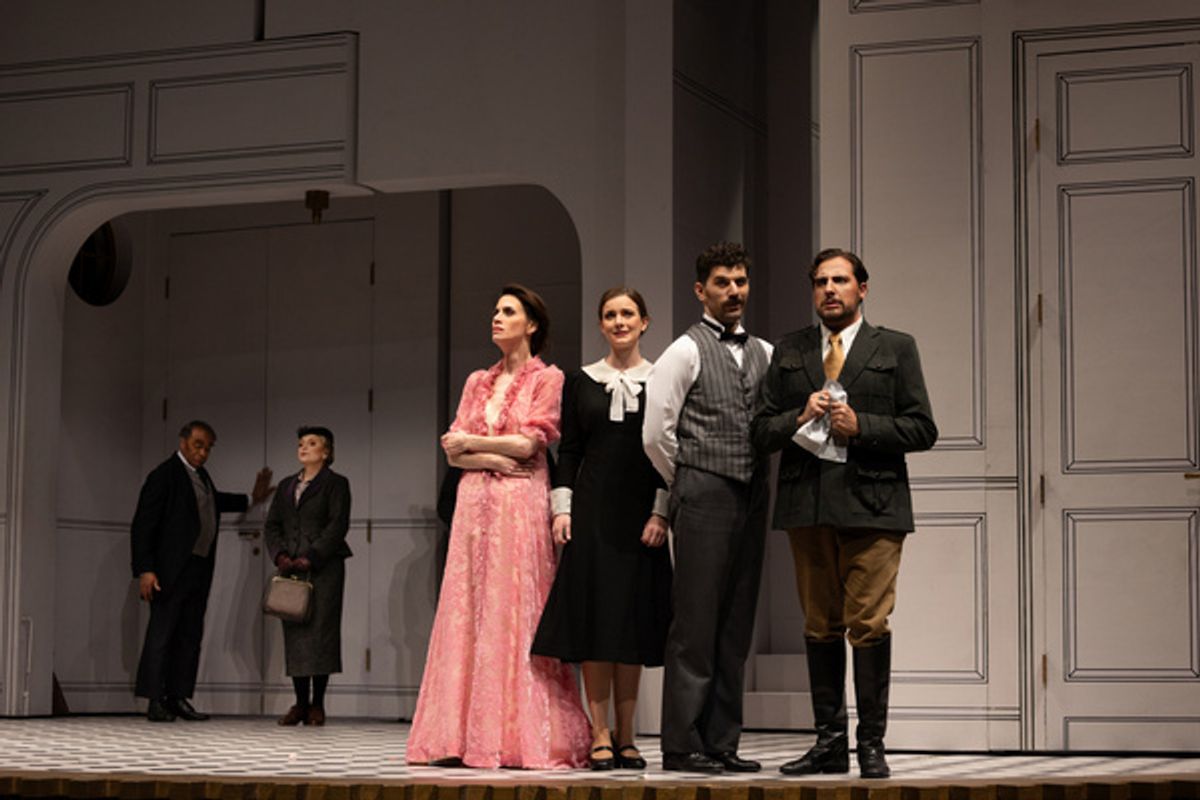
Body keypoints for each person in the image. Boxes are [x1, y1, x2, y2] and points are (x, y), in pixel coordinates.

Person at [751, 248, 937, 779]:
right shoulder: (790, 349)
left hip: (873, 505)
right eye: (820, 282)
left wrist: (864, 427)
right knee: (819, 624)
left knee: (869, 622)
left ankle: (871, 744)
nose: (829, 290)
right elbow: (761, 431)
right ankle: (829, 744)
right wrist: (797, 415)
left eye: (840, 280)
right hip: (807, 505)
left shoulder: (895, 347)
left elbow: (923, 428)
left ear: (862, 289)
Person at [406, 284, 591, 769]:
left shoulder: (548, 378)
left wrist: (475, 445)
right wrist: (488, 454)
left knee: (515, 605)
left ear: (531, 324)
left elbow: (531, 444)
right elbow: (452, 449)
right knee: (467, 607)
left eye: (508, 311)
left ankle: (515, 734)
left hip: (520, 502)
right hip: (474, 502)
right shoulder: (476, 381)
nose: (497, 317)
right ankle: (458, 735)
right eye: (495, 310)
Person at [643, 242, 772, 774]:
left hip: (753, 491)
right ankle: (682, 744)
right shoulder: (684, 350)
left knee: (736, 622)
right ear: (701, 290)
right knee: (695, 621)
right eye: (723, 282)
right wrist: (688, 479)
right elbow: (656, 432)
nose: (734, 291)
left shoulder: (764, 351)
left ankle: (722, 741)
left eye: (740, 281)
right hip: (702, 489)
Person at [532, 287, 673, 771]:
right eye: (610, 315)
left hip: (640, 515)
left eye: (628, 313)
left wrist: (661, 512)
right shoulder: (581, 380)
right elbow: (570, 449)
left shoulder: (660, 379)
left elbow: (668, 450)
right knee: (596, 621)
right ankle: (600, 734)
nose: (619, 322)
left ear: (644, 321)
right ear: (601, 324)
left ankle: (629, 735)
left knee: (630, 622)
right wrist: (562, 508)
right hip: (591, 512)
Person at [131, 420, 272, 722]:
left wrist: (252, 498)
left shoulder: (200, 475)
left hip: (198, 567)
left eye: (208, 448)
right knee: (163, 633)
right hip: (170, 570)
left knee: (190, 633)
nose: (203, 453)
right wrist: (145, 569)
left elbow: (212, 502)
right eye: (198, 445)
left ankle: (178, 696)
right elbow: (143, 525)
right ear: (183, 442)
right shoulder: (164, 475)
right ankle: (155, 699)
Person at [263, 425, 352, 727]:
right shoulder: (287, 485)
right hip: (290, 568)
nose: (304, 448)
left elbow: (337, 525)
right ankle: (300, 703)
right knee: (296, 632)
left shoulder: (336, 484)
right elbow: (272, 525)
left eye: (312, 443)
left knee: (322, 632)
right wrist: (280, 555)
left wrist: (311, 556)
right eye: (301, 443)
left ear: (325, 452)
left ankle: (317, 704)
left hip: (323, 568)